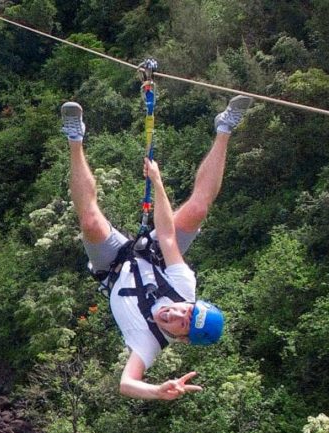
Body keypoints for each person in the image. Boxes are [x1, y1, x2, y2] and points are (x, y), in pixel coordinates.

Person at [60, 95, 253, 401]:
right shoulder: (183, 287)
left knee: (90, 222)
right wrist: (158, 182)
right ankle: (225, 127)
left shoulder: (149, 342)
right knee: (198, 209)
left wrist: (156, 391)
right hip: (152, 255)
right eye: (186, 311)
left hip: (113, 268)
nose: (175, 313)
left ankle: (74, 137)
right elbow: (166, 238)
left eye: (182, 323)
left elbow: (127, 383)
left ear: (182, 339)